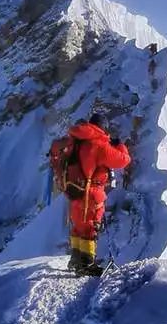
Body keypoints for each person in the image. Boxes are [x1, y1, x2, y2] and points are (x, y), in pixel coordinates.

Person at [48, 112, 131, 275]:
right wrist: (119, 145)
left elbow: (57, 149)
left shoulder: (74, 140)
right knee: (90, 227)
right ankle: (86, 265)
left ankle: (76, 260)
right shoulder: (99, 145)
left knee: (79, 225)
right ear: (103, 128)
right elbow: (123, 160)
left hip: (74, 191)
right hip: (91, 193)